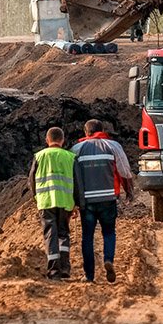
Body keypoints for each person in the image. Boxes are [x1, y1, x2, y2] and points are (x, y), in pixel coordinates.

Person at [71, 119, 134, 283]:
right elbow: (124, 170)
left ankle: (89, 275)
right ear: (102, 130)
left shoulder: (77, 149)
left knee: (87, 237)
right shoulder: (113, 146)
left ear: (86, 132)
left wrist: (73, 201)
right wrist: (129, 192)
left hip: (87, 202)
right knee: (108, 232)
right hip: (108, 198)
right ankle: (108, 259)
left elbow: (72, 176)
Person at [28, 127, 80, 280]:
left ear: (47, 140)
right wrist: (77, 204)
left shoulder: (39, 156)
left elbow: (31, 181)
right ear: (62, 140)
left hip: (45, 201)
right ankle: (64, 268)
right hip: (65, 201)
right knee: (63, 234)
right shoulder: (70, 157)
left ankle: (53, 271)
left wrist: (36, 198)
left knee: (50, 234)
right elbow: (77, 183)